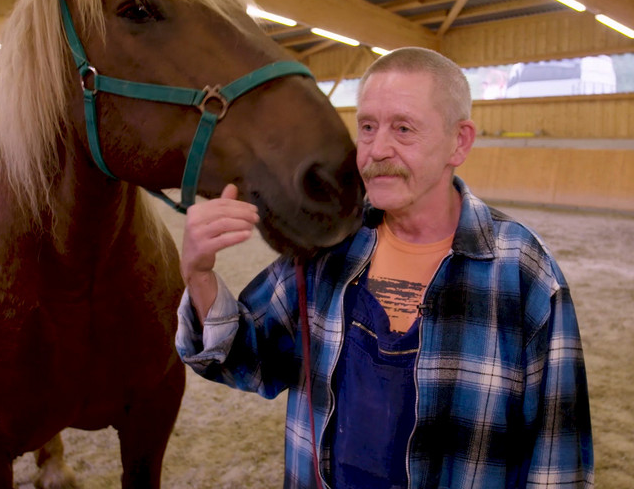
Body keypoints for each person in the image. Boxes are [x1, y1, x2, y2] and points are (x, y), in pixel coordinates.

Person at [175, 47, 593, 489]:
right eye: (368, 127)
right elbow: (246, 360)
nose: (377, 150)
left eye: (404, 129)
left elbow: (557, 457)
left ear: (460, 142)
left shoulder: (524, 272)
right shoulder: (327, 246)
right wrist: (200, 275)